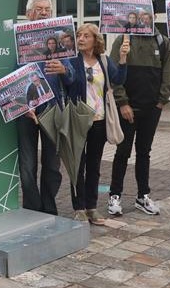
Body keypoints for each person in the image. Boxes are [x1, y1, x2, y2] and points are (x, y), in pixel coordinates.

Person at [108, 6, 170, 216]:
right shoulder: (123, 39)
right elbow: (114, 74)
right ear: (134, 17)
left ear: (153, 17)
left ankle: (142, 196)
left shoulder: (162, 41)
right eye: (141, 14)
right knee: (122, 152)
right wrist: (123, 103)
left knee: (144, 153)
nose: (145, 18)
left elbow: (167, 72)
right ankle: (114, 196)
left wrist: (161, 101)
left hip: (152, 108)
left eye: (149, 14)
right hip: (128, 108)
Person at [17, 0, 74, 216]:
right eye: (39, 9)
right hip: (26, 111)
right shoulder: (18, 40)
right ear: (29, 13)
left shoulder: (60, 41)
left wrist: (64, 70)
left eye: (47, 9)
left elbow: (72, 77)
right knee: (27, 164)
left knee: (52, 164)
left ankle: (49, 207)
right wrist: (23, 104)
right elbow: (14, 75)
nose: (44, 12)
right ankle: (32, 207)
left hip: (54, 110)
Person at [66, 23, 128, 224]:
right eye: (79, 35)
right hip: (78, 120)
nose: (81, 39)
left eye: (86, 36)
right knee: (78, 166)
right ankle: (79, 208)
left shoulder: (103, 60)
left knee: (94, 165)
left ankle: (91, 207)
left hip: (99, 120)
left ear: (95, 40)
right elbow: (67, 83)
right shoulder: (71, 61)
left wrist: (123, 58)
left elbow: (118, 79)